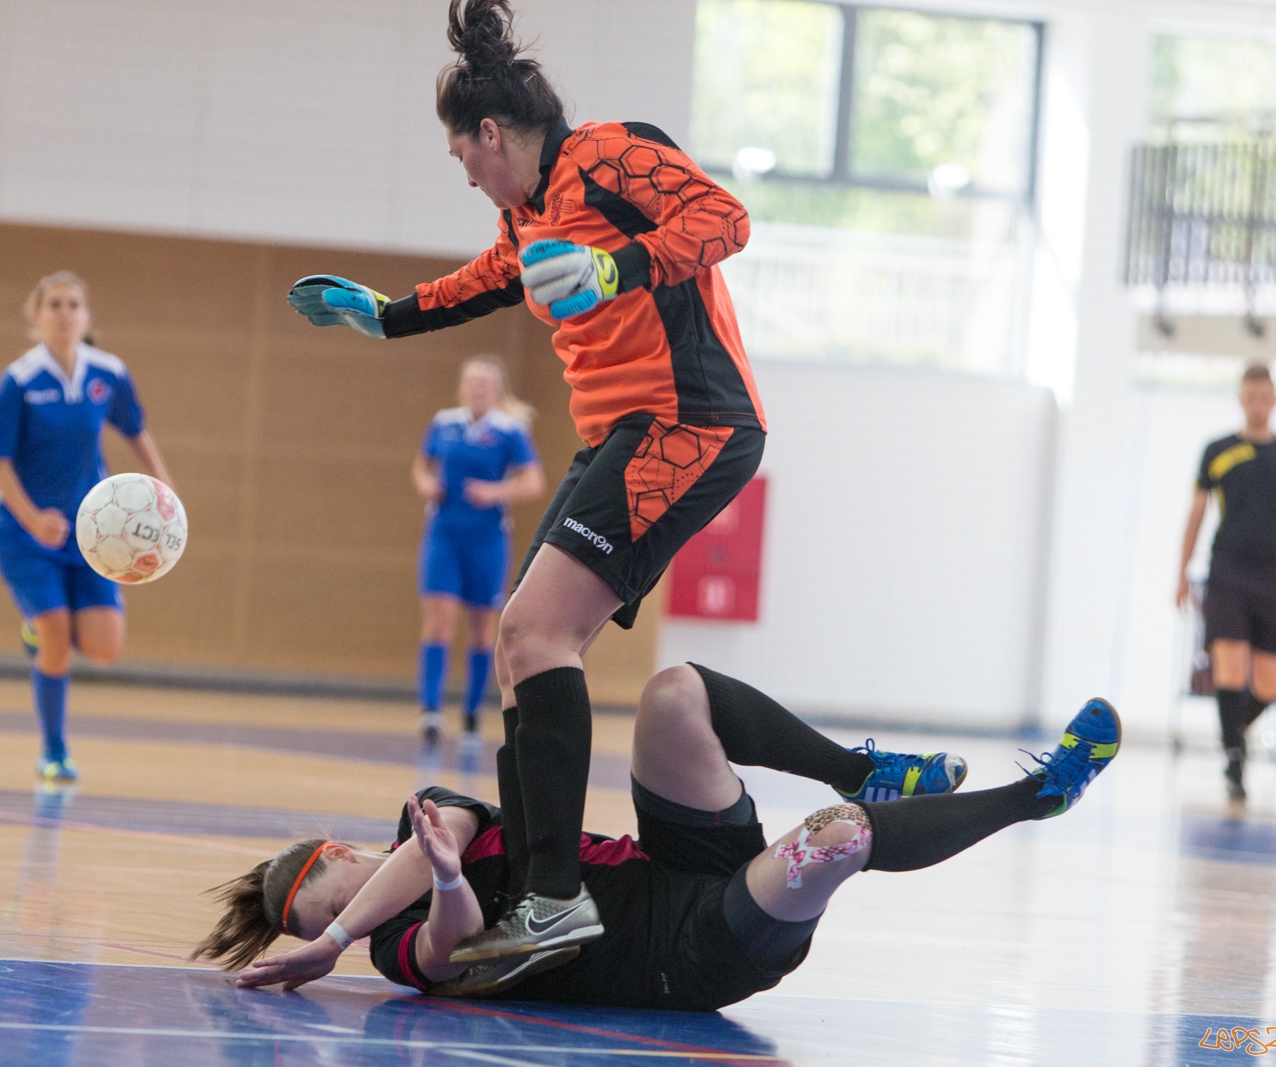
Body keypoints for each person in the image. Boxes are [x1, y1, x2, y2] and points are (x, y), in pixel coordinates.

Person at [286, 0, 784, 959]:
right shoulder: (526, 217)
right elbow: (480, 282)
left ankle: (555, 892)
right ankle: (534, 879)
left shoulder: (603, 154)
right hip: (618, 439)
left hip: (691, 419)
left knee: (529, 629)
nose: (463, 171)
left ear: (490, 131)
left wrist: (614, 267)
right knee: (528, 651)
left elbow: (725, 217)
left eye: (461, 154)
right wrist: (383, 316)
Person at [192, 666, 1119, 1009]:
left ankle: (852, 762)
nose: (342, 910)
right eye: (328, 914)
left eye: (336, 889)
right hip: (690, 950)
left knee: (674, 695)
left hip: (675, 862)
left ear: (346, 857)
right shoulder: (394, 945)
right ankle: (1036, 795)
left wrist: (388, 886)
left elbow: (464, 821)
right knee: (833, 841)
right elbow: (447, 943)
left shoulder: (424, 825)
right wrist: (366, 928)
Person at [0, 271, 174, 783]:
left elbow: (136, 432)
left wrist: (164, 492)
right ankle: (54, 750)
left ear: (86, 317)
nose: (65, 313)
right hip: (26, 533)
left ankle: (37, 631)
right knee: (57, 638)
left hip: (94, 531)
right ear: (37, 316)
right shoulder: (19, 380)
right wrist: (32, 518)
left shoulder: (107, 373)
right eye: (55, 305)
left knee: (105, 648)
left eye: (74, 305)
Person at [1176, 363, 1276, 801]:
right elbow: (1196, 513)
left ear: (1275, 400)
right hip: (1226, 569)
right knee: (1230, 664)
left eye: (1265, 396)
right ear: (1241, 399)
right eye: (1250, 397)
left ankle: (1232, 732)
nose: (1258, 404)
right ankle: (1235, 760)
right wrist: (1182, 572)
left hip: (1272, 573)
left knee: (1271, 682)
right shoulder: (1218, 449)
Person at [412, 356, 545, 743]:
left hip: (487, 540)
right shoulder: (444, 423)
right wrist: (425, 484)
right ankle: (431, 710)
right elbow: (421, 466)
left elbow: (533, 482)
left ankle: (471, 711)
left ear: (497, 390)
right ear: (461, 387)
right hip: (443, 535)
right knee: (438, 620)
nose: (478, 388)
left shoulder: (509, 431)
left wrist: (496, 492)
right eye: (472, 381)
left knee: (484, 628)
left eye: (486, 382)